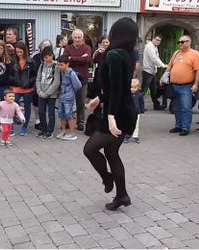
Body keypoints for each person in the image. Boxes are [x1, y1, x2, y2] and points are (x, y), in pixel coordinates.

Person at [83, 17, 139, 210]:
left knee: (89, 149)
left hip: (118, 114)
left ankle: (108, 178)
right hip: (125, 110)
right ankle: (122, 195)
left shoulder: (114, 54)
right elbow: (117, 87)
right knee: (112, 153)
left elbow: (116, 89)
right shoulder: (128, 54)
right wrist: (99, 99)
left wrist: (111, 117)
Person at [166, 35, 199, 136]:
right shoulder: (176, 53)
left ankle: (185, 127)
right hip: (174, 85)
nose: (180, 44)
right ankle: (178, 126)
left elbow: (197, 70)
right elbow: (170, 66)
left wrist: (196, 84)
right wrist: (164, 76)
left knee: (185, 108)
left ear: (188, 42)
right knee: (176, 107)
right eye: (179, 42)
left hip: (187, 86)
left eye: (182, 42)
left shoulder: (195, 54)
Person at [64, 29, 92, 132]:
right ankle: (68, 121)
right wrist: (79, 58)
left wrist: (72, 58)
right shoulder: (67, 48)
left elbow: (87, 60)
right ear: (72, 38)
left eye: (79, 37)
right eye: (75, 37)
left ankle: (80, 122)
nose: (77, 39)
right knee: (69, 101)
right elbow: (65, 60)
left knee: (80, 102)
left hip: (82, 80)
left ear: (82, 38)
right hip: (69, 79)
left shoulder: (87, 48)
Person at [10, 41, 37, 136]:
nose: (19, 54)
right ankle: (11, 127)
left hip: (28, 89)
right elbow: (10, 75)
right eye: (17, 52)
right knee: (12, 107)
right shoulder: (13, 61)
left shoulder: (31, 62)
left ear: (25, 51)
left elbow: (35, 75)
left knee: (27, 108)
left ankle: (25, 127)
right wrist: (15, 82)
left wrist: (29, 83)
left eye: (21, 52)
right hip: (16, 88)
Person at [35, 46, 61, 139]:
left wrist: (47, 93)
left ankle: (50, 131)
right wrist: (39, 91)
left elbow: (56, 82)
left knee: (51, 113)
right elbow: (38, 79)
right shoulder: (42, 65)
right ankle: (43, 129)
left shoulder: (56, 66)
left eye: (47, 57)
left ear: (51, 56)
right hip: (41, 93)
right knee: (41, 111)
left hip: (51, 95)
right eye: (44, 58)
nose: (45, 59)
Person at [55, 55, 82, 141]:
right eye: (58, 65)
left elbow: (78, 85)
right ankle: (63, 131)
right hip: (62, 97)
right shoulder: (62, 73)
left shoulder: (71, 73)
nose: (60, 67)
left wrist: (71, 92)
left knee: (69, 115)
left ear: (67, 64)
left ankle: (72, 133)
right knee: (62, 115)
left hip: (69, 98)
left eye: (61, 65)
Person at [142, 34, 167, 110]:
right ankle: (138, 106)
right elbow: (154, 59)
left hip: (152, 72)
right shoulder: (150, 47)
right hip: (148, 71)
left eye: (159, 40)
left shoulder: (154, 47)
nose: (158, 42)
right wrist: (163, 65)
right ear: (153, 39)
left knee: (154, 90)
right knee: (144, 90)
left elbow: (157, 58)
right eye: (156, 40)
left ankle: (156, 105)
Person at [124, 79, 144, 144]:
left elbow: (141, 103)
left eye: (135, 88)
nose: (133, 89)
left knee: (136, 124)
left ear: (138, 87)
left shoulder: (140, 95)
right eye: (131, 87)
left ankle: (135, 136)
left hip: (136, 112)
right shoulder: (127, 94)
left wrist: (142, 110)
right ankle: (127, 136)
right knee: (128, 124)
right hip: (128, 112)